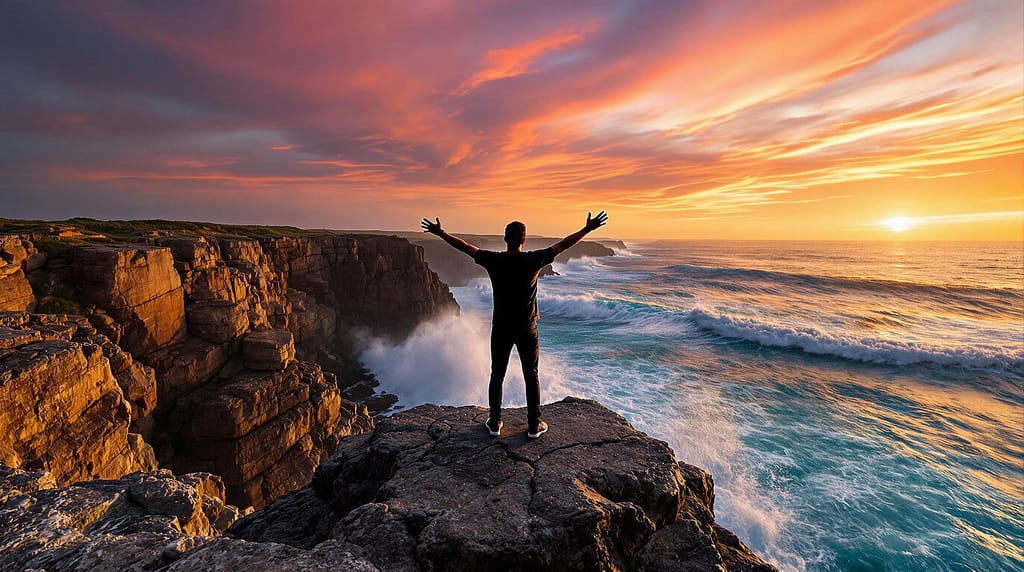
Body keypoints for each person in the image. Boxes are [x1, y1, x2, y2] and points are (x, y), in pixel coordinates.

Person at [421, 211, 608, 438]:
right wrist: (587, 229)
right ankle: (533, 424)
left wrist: (441, 233)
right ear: (523, 240)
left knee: (497, 373)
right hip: (527, 327)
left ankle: (495, 422)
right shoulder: (533, 259)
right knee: (531, 373)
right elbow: (564, 245)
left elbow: (465, 247)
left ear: (505, 239)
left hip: (501, 326)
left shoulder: (494, 260)